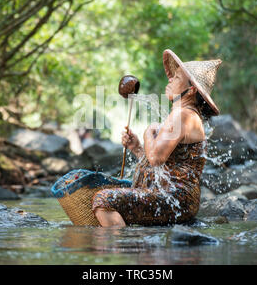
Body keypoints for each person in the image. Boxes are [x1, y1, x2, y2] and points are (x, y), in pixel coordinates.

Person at [92, 49, 222, 227]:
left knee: (104, 199)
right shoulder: (184, 114)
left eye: (176, 78)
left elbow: (155, 159)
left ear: (191, 90)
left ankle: (122, 245)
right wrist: (136, 147)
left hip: (176, 199)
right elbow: (165, 168)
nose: (170, 80)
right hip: (178, 198)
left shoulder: (183, 115)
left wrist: (148, 132)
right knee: (113, 196)